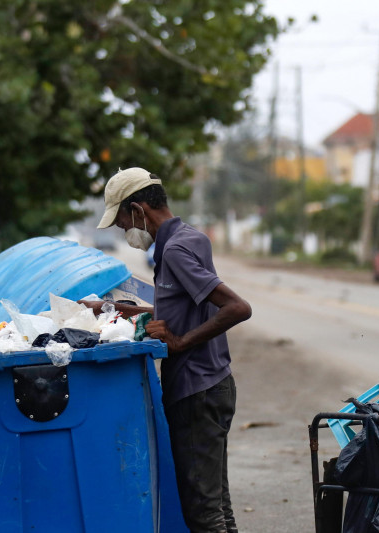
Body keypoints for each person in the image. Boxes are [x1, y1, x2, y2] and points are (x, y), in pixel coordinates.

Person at [86, 167, 252, 533]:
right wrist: (128, 311)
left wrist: (179, 342)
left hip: (196, 389)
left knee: (203, 512)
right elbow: (190, 304)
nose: (119, 228)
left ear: (139, 208)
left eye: (121, 218)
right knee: (217, 504)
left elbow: (237, 308)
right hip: (215, 384)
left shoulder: (174, 249)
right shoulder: (190, 238)